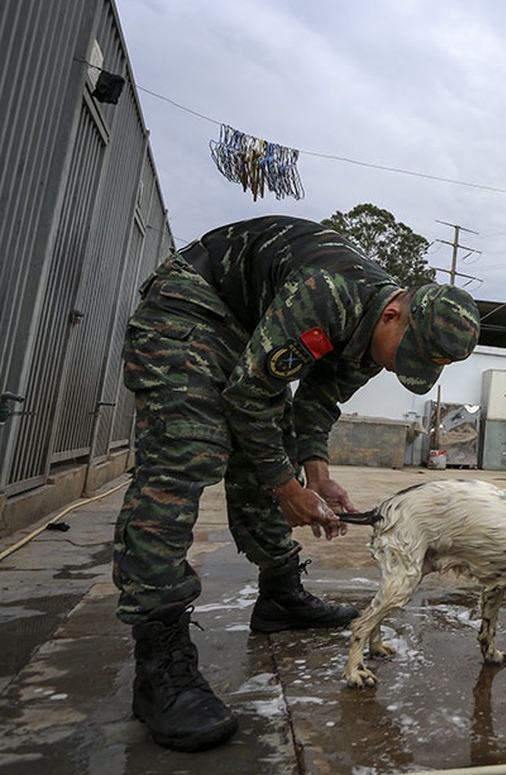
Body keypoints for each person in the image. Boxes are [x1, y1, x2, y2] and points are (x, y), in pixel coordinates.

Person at [112, 215, 480, 752]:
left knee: (265, 446)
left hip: (251, 326)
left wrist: (317, 475)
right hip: (193, 306)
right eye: (405, 354)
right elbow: (249, 395)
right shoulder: (329, 296)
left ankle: (280, 597)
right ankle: (158, 660)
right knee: (187, 451)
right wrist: (287, 488)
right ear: (395, 312)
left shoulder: (381, 333)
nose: (398, 366)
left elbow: (317, 400)